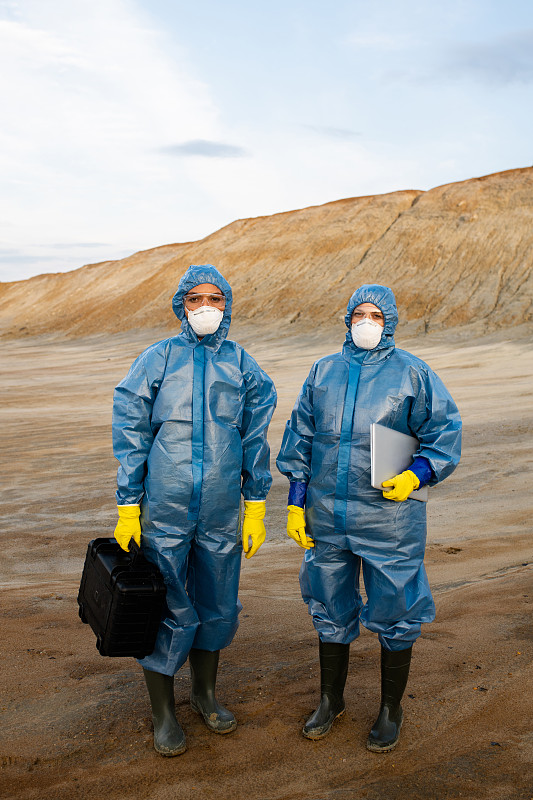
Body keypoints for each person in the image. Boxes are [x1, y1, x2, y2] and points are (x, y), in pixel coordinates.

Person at [276, 284, 461, 752]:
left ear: (390, 322)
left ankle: (389, 709)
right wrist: (297, 500)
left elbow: (444, 432)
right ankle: (329, 700)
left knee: (397, 608)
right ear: (347, 319)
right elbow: (301, 435)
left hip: (389, 517)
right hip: (327, 515)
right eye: (359, 313)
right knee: (328, 604)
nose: (366, 321)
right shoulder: (323, 371)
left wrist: (416, 475)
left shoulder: (413, 373)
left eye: (376, 314)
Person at [112, 264, 277, 757]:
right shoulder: (157, 359)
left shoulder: (243, 365)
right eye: (195, 299)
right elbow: (131, 431)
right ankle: (164, 712)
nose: (206, 308)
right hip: (164, 504)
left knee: (217, 601)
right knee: (162, 601)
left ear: (228, 306)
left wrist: (256, 504)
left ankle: (205, 695)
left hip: (222, 506)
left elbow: (254, 436)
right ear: (180, 305)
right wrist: (128, 504)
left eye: (216, 299)